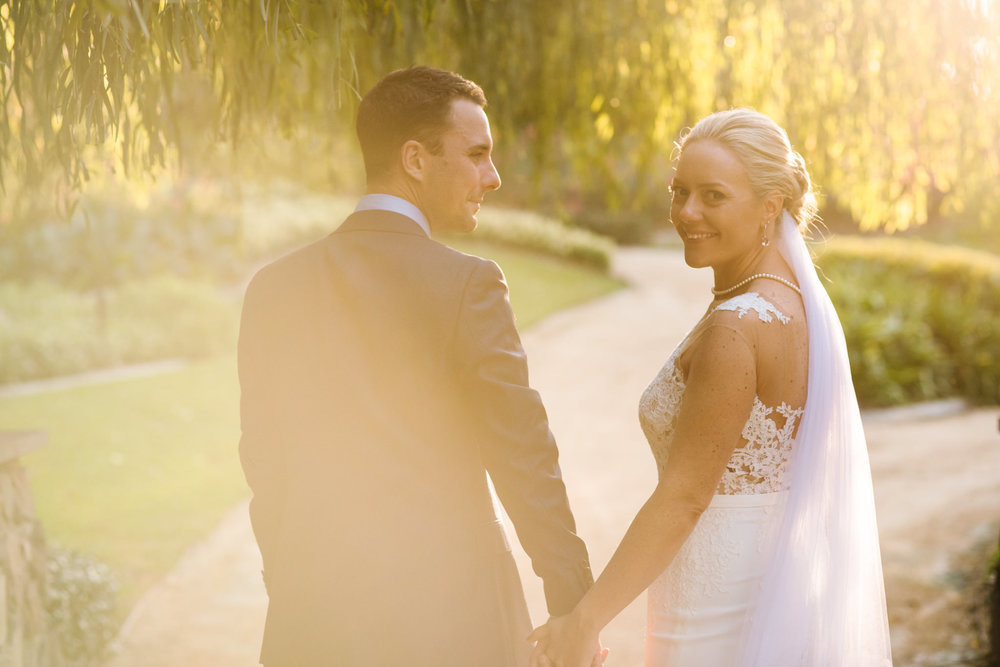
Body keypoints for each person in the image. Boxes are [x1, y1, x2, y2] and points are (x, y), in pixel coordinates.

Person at [238, 65, 596, 666]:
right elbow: (522, 454)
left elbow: (263, 458)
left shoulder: (272, 288)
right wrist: (575, 605)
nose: (493, 176)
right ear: (415, 159)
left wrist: (293, 579)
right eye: (478, 154)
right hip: (452, 620)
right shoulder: (468, 286)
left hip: (313, 621)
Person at [529, 108, 893, 666]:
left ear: (771, 206)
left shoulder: (736, 327)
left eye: (713, 196)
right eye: (680, 192)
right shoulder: (792, 304)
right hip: (770, 577)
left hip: (713, 593)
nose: (686, 212)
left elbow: (684, 497)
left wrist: (585, 620)